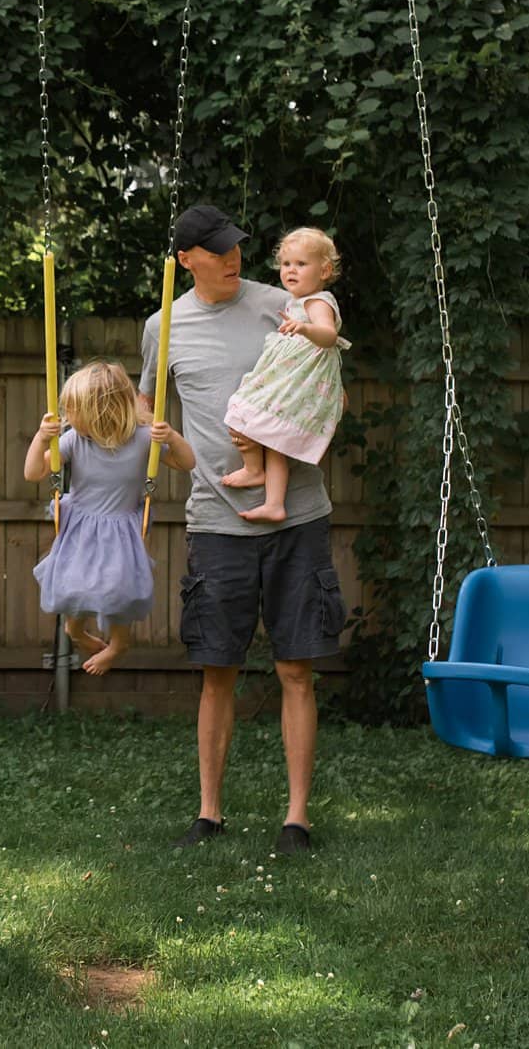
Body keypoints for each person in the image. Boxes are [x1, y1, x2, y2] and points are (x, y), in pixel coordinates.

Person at [139, 204, 347, 857]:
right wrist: (165, 445)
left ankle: (297, 819)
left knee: (295, 669)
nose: (233, 258)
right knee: (217, 671)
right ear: (185, 261)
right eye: (216, 250)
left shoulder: (280, 301)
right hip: (215, 518)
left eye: (235, 247)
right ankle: (208, 812)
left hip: (299, 515)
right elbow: (149, 403)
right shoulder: (163, 325)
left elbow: (325, 359)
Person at [22, 360, 192, 675]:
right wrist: (41, 439)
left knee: (117, 589)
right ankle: (75, 631)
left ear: (100, 411)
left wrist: (172, 437)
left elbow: (186, 462)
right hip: (81, 528)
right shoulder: (75, 440)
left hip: (121, 529)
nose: (68, 417)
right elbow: (33, 472)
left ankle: (118, 644)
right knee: (75, 586)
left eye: (73, 410)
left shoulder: (143, 439)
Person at [221, 227, 349, 523]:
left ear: (324, 270)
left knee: (243, 411)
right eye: (287, 264)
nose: (291, 270)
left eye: (301, 264)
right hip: (291, 378)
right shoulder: (296, 301)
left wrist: (304, 328)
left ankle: (255, 471)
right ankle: (274, 502)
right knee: (274, 438)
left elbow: (329, 336)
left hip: (303, 382)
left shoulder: (318, 302)